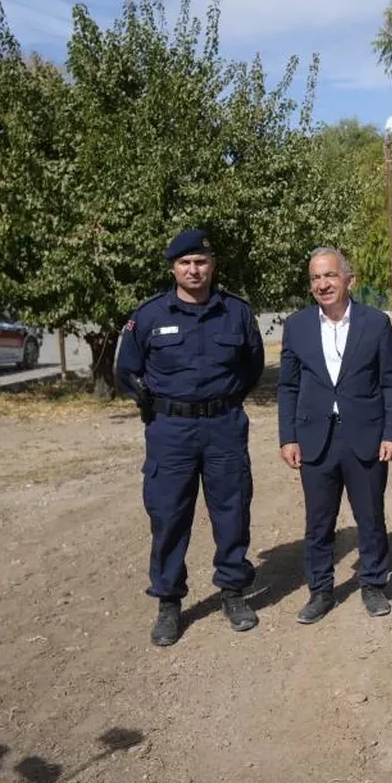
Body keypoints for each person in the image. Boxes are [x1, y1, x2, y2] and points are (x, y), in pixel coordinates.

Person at [115, 228, 266, 647]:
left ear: (212, 266)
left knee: (232, 510)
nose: (194, 269)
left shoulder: (236, 313)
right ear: (173, 268)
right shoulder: (148, 316)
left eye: (201, 262)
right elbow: (126, 371)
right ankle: (168, 601)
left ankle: (233, 592)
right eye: (186, 263)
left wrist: (225, 402)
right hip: (171, 431)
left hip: (223, 426)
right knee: (167, 515)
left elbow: (253, 367)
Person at [277, 248, 392, 622]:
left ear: (350, 280)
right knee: (318, 521)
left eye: (329, 276)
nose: (322, 284)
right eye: (315, 278)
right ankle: (320, 590)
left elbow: (391, 383)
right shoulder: (297, 326)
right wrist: (288, 437)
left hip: (364, 435)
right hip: (316, 438)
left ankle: (373, 584)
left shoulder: (375, 324)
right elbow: (288, 386)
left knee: (370, 516)